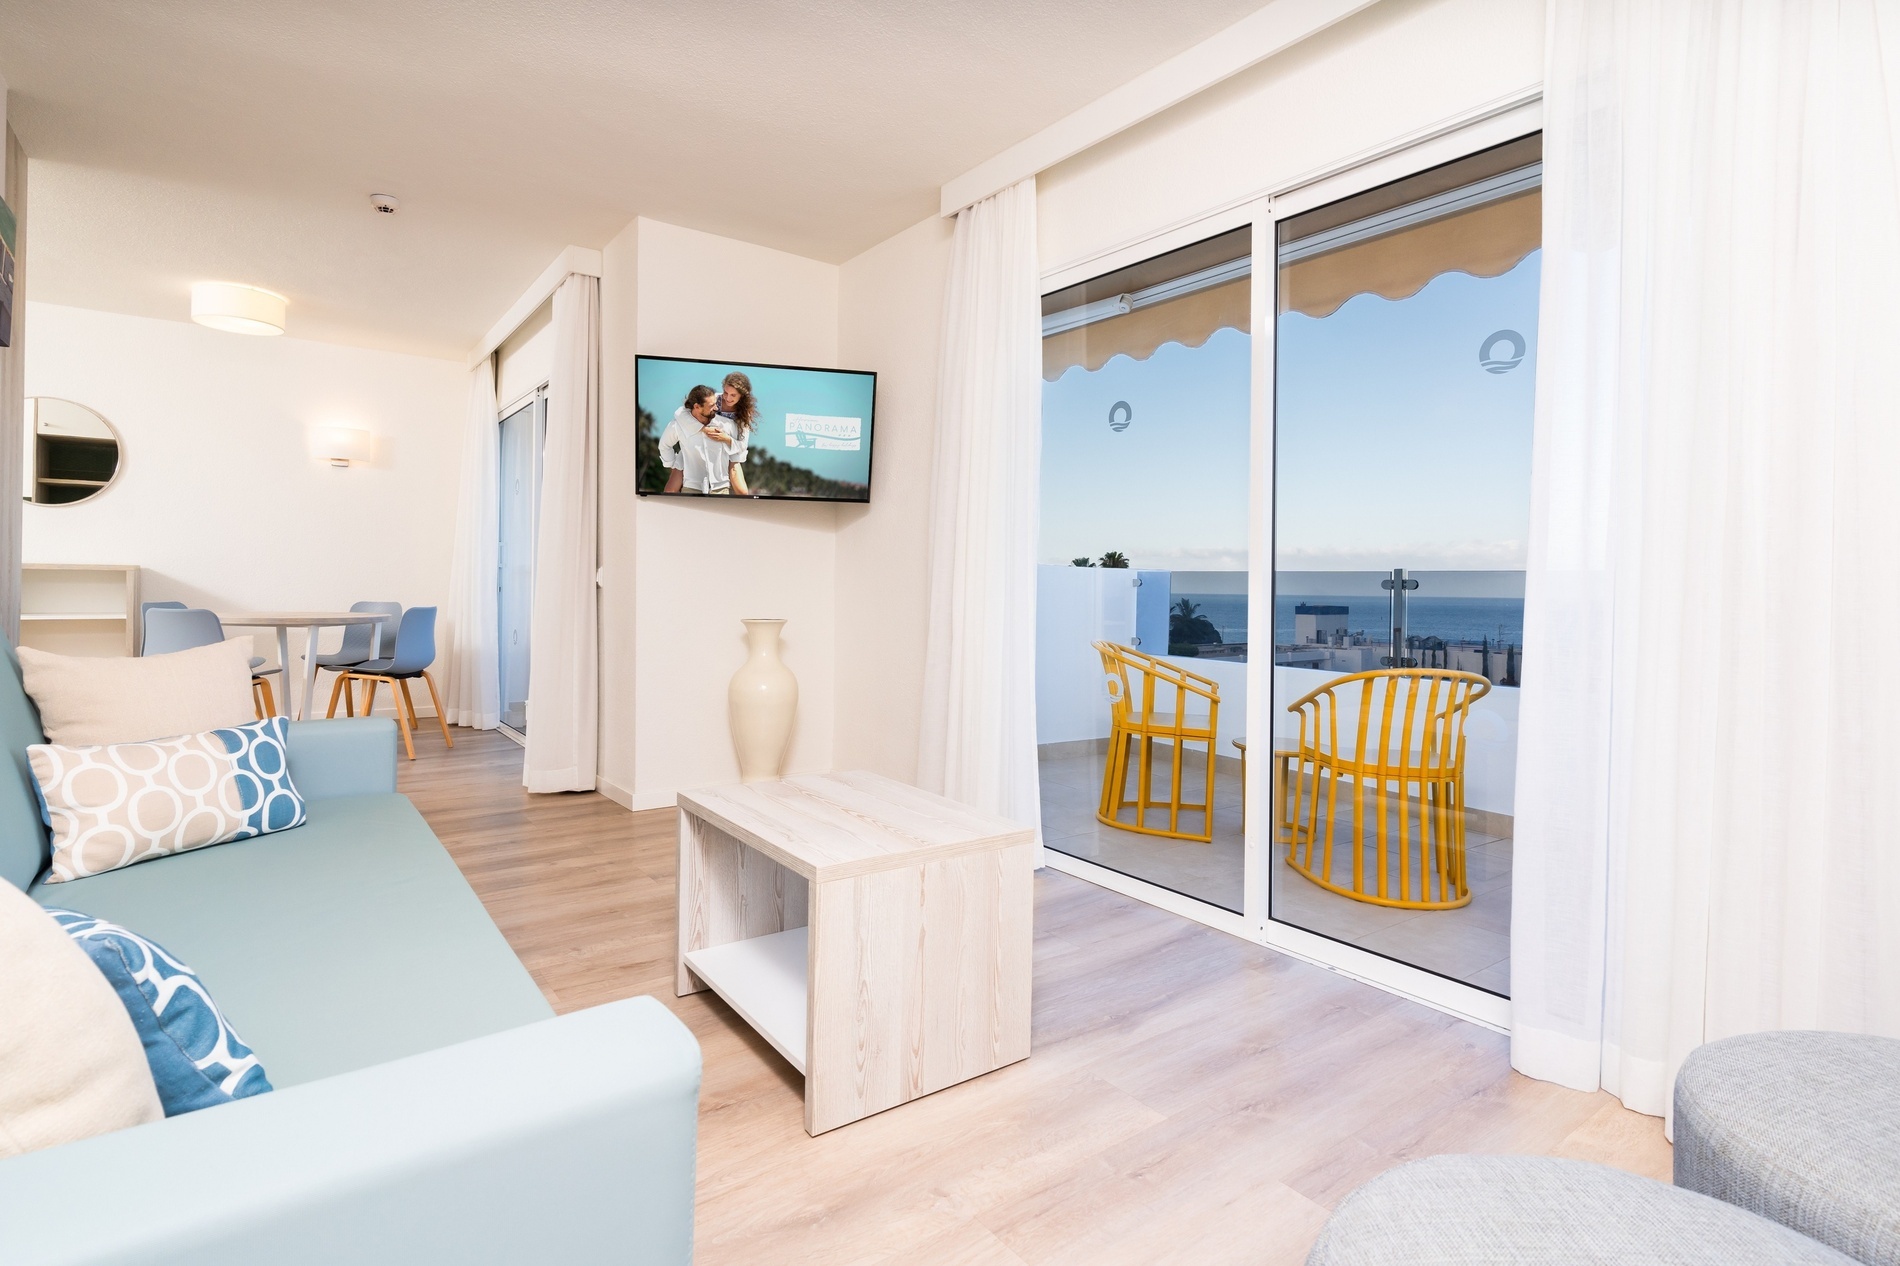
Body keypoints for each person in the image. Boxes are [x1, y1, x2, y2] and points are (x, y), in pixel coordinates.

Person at [658, 385, 741, 494]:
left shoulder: (727, 425)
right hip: (691, 488)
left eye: (716, 404)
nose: (716, 408)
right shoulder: (678, 425)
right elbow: (664, 446)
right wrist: (673, 466)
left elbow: (738, 451)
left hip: (721, 489)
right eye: (711, 406)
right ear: (697, 407)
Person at [699, 371, 758, 496]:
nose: (728, 398)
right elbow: (691, 414)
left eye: (733, 395)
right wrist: (703, 429)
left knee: (743, 493)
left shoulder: (744, 413)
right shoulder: (713, 399)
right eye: (726, 392)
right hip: (708, 445)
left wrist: (726, 439)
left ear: (742, 395)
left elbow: (742, 446)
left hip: (732, 452)